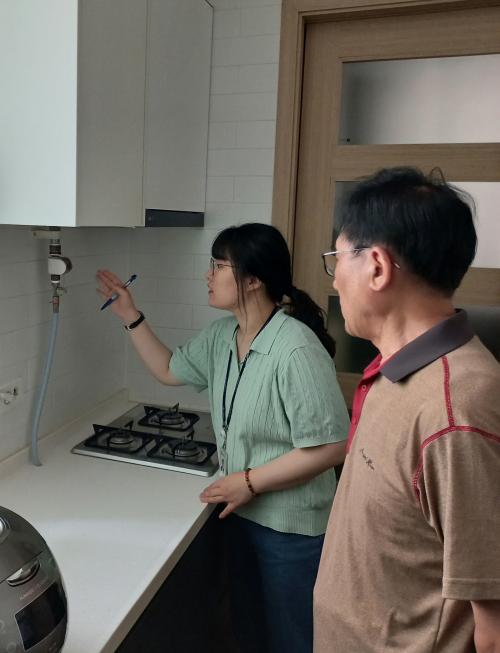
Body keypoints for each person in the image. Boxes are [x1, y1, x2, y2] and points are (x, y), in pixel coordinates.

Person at [97, 222, 349, 653]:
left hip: (291, 531)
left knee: (293, 641)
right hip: (241, 516)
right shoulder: (221, 337)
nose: (208, 275)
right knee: (250, 634)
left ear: (253, 280)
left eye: (218, 266)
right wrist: (130, 316)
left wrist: (248, 481)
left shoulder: (296, 348)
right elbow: (168, 370)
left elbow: (330, 446)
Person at [314, 167, 500, 653]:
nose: (335, 280)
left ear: (377, 266)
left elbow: (495, 630)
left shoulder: (458, 409)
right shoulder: (395, 369)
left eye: (337, 258)